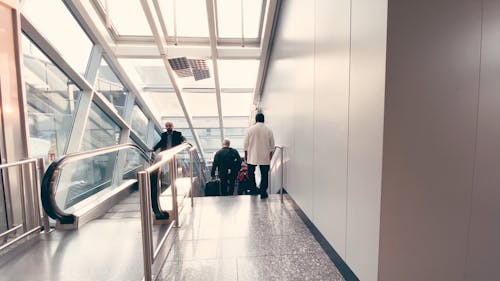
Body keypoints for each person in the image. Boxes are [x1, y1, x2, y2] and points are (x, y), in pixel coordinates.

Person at [244, 112, 275, 199]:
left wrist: (246, 156)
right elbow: (272, 146)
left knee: (251, 173)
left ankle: (253, 190)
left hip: (252, 156)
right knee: (264, 174)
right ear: (263, 120)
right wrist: (270, 157)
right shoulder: (269, 130)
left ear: (256, 120)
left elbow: (245, 145)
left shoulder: (250, 130)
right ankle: (263, 192)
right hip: (264, 156)